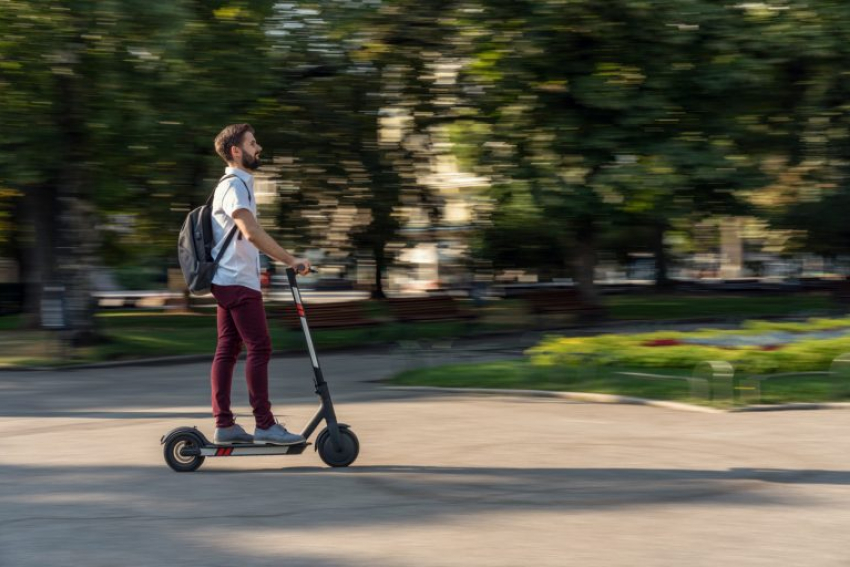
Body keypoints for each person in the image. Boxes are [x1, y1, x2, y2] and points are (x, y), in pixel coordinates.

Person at [209, 123, 311, 445]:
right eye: (253, 143)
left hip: (230, 280)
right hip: (238, 282)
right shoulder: (234, 186)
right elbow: (251, 233)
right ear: (235, 151)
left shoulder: (238, 185)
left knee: (228, 348)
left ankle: (225, 425)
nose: (259, 148)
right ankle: (264, 424)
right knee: (260, 347)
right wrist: (290, 260)